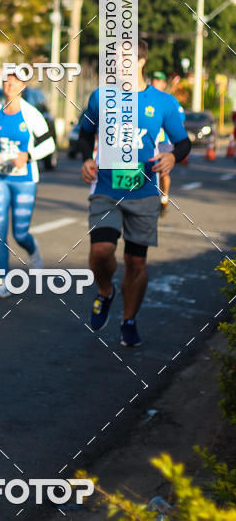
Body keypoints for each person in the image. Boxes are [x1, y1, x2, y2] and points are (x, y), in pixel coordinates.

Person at [77, 39, 190, 347]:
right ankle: (105, 291)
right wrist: (88, 157)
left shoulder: (163, 103)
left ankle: (129, 320)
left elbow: (183, 143)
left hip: (144, 192)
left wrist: (172, 156)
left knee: (136, 262)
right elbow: (85, 134)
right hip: (106, 188)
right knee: (101, 252)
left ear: (141, 61)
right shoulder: (101, 97)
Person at [0, 72, 55, 297]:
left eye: (15, 80)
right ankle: (2, 282)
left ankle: (33, 253)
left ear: (23, 85)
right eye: (7, 80)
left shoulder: (32, 114)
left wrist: (28, 155)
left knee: (20, 232)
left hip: (25, 180)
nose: (10, 84)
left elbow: (49, 145)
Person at [150, 71, 183, 217]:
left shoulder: (170, 100)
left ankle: (164, 198)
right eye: (154, 80)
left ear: (164, 84)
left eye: (159, 80)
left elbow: (180, 117)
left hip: (164, 142)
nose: (156, 82)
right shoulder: (145, 97)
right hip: (148, 140)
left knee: (163, 172)